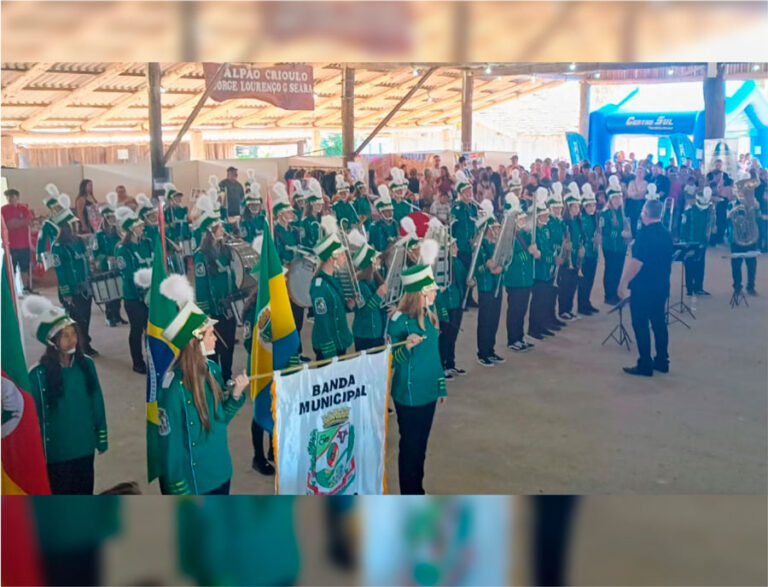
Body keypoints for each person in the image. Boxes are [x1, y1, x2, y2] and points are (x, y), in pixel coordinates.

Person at [157, 274, 248, 494]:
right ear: (193, 342)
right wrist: (177, 486)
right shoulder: (173, 389)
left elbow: (220, 419)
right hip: (196, 481)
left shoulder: (212, 370)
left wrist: (235, 395)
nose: (215, 338)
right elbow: (170, 445)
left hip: (220, 470)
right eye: (209, 334)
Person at [24, 296, 107, 494]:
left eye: (73, 334)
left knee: (85, 491)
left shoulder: (87, 364)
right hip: (57, 454)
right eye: (65, 336)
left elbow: (97, 401)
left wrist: (101, 435)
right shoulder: (37, 374)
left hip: (85, 447)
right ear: (52, 341)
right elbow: (34, 418)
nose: (72, 340)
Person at [387, 256, 446, 495]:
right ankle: (409, 493)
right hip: (409, 396)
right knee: (410, 447)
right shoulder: (399, 321)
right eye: (431, 288)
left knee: (421, 446)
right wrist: (406, 347)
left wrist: (440, 386)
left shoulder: (431, 315)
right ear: (420, 292)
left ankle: (417, 489)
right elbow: (392, 359)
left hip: (428, 392)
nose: (435, 292)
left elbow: (434, 356)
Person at [618, 199, 673, 376]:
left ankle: (645, 364)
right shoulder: (666, 233)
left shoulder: (644, 235)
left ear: (646, 214)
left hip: (644, 287)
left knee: (640, 324)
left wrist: (623, 283)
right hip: (662, 285)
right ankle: (662, 360)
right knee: (658, 323)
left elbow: (636, 263)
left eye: (642, 211)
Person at [193, 198, 238, 381]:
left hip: (228, 308)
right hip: (212, 311)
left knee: (228, 347)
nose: (222, 228)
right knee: (212, 350)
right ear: (210, 231)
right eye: (218, 226)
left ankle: (226, 377)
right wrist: (205, 318)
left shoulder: (226, 249)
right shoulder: (201, 257)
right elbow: (201, 289)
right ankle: (215, 381)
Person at [50, 204, 97, 356]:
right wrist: (66, 293)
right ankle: (80, 347)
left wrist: (90, 281)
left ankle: (85, 343)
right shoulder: (57, 247)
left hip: (84, 286)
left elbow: (86, 262)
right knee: (76, 320)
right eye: (72, 223)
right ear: (65, 226)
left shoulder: (79, 241)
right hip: (70, 289)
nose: (76, 225)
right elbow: (60, 273)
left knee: (86, 317)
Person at [115, 206, 152, 373]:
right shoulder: (123, 250)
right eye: (138, 226)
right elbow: (129, 276)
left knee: (150, 329)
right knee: (137, 329)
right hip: (133, 297)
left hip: (150, 293)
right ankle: (138, 362)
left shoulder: (146, 244)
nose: (142, 228)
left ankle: (152, 358)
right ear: (131, 229)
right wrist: (141, 294)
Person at [310, 219, 354, 359]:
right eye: (341, 254)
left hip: (339, 341)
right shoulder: (319, 287)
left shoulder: (334, 278)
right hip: (329, 347)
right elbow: (322, 322)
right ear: (331, 258)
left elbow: (334, 307)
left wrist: (347, 307)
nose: (345, 258)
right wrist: (330, 354)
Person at [347, 230, 387, 351]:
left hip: (376, 331)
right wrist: (378, 295)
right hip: (365, 334)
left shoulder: (373, 279)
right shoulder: (360, 285)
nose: (378, 262)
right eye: (375, 260)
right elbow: (365, 312)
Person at [473, 213, 505, 366]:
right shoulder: (479, 247)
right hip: (485, 287)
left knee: (494, 319)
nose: (496, 231)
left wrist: (501, 268)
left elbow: (504, 259)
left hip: (497, 285)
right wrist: (486, 266)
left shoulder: (495, 245)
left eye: (497, 228)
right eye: (493, 229)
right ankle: (483, 352)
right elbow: (475, 270)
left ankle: (490, 350)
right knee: (485, 320)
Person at [505, 205, 536, 352]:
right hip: (515, 280)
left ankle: (520, 336)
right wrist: (528, 253)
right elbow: (510, 258)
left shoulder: (525, 234)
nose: (524, 221)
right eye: (521, 219)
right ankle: (512, 339)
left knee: (522, 309)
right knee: (514, 310)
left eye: (524, 219)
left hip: (525, 279)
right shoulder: (509, 237)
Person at [92, 192, 126, 327]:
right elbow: (95, 252)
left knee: (118, 292)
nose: (112, 219)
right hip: (106, 266)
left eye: (113, 217)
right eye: (110, 217)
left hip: (118, 265)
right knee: (109, 293)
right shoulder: (100, 235)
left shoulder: (119, 232)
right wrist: (106, 258)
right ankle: (109, 316)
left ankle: (117, 315)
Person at [436, 237, 467, 379]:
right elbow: (437, 290)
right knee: (444, 337)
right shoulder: (439, 266)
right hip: (446, 304)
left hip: (456, 303)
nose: (457, 249)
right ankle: (441, 365)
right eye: (453, 247)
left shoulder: (457, 262)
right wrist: (440, 308)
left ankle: (450, 363)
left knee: (452, 336)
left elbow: (463, 278)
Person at [527, 191, 555, 341]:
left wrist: (551, 256)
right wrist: (549, 257)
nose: (547, 218)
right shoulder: (534, 232)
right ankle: (534, 327)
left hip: (546, 270)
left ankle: (542, 325)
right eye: (544, 216)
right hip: (538, 271)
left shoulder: (544, 229)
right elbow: (540, 252)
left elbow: (548, 247)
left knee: (545, 299)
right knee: (537, 300)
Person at [728, 173, 761, 296]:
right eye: (743, 190)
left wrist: (753, 206)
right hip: (737, 238)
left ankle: (751, 286)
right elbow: (729, 218)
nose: (746, 193)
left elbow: (759, 217)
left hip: (751, 237)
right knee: (736, 264)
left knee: (751, 263)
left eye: (748, 191)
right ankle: (737, 286)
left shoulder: (754, 203)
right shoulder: (732, 203)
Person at [600, 177, 629, 305]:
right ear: (610, 199)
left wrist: (627, 235)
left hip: (621, 247)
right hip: (610, 247)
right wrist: (619, 234)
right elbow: (604, 231)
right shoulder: (605, 213)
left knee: (618, 270)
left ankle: (616, 293)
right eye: (615, 198)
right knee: (610, 270)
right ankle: (609, 295)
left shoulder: (621, 212)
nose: (618, 200)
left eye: (619, 198)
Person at [680, 187, 714, 296]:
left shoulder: (708, 211)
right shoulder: (689, 211)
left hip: (702, 242)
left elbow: (709, 226)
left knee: (700, 264)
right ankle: (690, 288)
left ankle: (699, 287)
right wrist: (683, 240)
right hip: (690, 242)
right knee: (689, 265)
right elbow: (683, 227)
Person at [451, 171, 478, 307]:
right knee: (462, 274)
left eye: (470, 191)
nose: (469, 194)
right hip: (461, 246)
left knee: (470, 271)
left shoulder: (473, 207)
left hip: (472, 246)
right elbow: (452, 229)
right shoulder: (456, 208)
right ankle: (463, 299)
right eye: (466, 192)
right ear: (461, 193)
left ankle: (470, 298)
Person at [2, 188, 34, 291]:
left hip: (24, 244)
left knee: (25, 268)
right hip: (10, 245)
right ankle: (11, 290)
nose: (10, 199)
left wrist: (14, 223)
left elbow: (29, 222)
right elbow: (4, 225)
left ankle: (26, 287)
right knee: (11, 269)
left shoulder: (24, 209)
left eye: (12, 197)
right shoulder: (3, 210)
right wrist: (20, 222)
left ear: (17, 198)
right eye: (8, 197)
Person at [558, 183, 582, 321]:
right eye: (574, 206)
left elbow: (579, 238)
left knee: (573, 284)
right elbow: (563, 238)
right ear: (568, 207)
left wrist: (580, 247)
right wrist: (565, 245)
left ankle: (569, 308)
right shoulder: (565, 222)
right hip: (567, 258)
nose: (577, 209)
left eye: (578, 207)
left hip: (575, 256)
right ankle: (563, 310)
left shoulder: (577, 221)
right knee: (565, 285)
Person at [577, 184, 600, 315]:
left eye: (593, 206)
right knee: (584, 281)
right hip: (585, 254)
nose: (592, 208)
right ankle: (582, 304)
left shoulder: (594, 217)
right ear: (584, 207)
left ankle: (587, 301)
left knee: (590, 279)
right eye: (589, 206)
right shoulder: (582, 219)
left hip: (594, 252)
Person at [35, 184, 65, 271]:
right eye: (56, 207)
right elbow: (41, 240)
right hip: (57, 251)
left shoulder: (68, 219)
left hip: (72, 249)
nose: (58, 209)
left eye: (59, 206)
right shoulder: (48, 224)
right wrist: (39, 255)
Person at [368, 187, 398, 252]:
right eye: (387, 211)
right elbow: (370, 245)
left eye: (391, 210)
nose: (390, 213)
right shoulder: (374, 226)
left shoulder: (395, 223)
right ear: (381, 212)